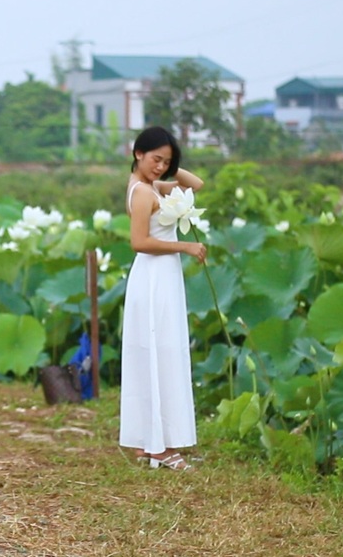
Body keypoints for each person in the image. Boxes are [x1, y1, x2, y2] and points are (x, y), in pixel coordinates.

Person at [118, 126, 205, 471]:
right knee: (161, 353)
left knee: (157, 352)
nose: (160, 167)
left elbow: (196, 184)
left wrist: (169, 165)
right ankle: (160, 448)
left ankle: (150, 441)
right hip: (153, 275)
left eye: (166, 162)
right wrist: (185, 246)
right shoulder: (142, 192)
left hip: (162, 276)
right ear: (138, 153)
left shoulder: (153, 185)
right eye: (155, 159)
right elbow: (139, 242)